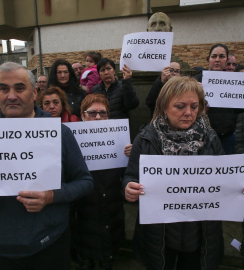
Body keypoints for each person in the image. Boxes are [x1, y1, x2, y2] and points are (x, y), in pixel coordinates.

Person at [0, 62, 93, 270]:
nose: (11, 96)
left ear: (35, 92)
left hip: (49, 243)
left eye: (19, 88)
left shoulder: (60, 134)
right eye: (3, 89)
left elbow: (85, 182)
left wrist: (51, 197)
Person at [123, 76, 224, 270]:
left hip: (200, 233)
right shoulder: (145, 139)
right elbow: (131, 176)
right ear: (163, 107)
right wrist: (128, 188)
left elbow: (222, 180)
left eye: (194, 106)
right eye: (180, 106)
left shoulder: (211, 138)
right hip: (159, 235)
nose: (188, 113)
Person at [74, 94, 130, 270]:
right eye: (92, 113)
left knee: (109, 249)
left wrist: (131, 155)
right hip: (84, 208)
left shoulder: (119, 140)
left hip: (111, 205)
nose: (98, 117)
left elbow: (128, 175)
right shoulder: (72, 140)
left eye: (103, 113)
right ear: (82, 115)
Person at [194, 43, 241, 154]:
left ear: (226, 60)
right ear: (208, 59)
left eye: (221, 56)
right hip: (202, 136)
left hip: (227, 137)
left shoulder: (234, 81)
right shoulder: (197, 79)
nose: (217, 60)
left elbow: (239, 110)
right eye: (214, 56)